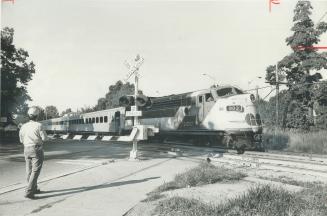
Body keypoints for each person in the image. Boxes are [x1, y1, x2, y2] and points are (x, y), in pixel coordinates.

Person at [19, 106, 48, 199]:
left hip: (26, 149)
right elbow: (44, 138)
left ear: (28, 115)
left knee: (29, 170)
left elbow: (21, 140)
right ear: (37, 116)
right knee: (35, 171)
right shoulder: (39, 125)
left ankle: (34, 188)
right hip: (36, 149)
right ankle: (29, 191)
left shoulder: (23, 126)